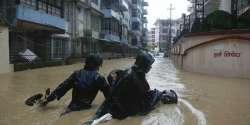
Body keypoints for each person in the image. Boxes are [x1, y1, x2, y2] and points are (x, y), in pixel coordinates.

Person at [86, 51, 178, 123]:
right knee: (155, 95)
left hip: (131, 104)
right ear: (143, 64)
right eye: (149, 65)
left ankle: (165, 96)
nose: (150, 68)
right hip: (126, 110)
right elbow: (111, 97)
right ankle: (166, 97)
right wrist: (96, 117)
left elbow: (144, 91)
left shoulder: (138, 74)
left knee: (155, 94)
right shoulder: (129, 76)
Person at [41, 55, 110, 114]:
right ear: (98, 65)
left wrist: (47, 100)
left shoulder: (76, 74)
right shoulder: (99, 78)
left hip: (70, 109)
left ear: (86, 63)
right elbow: (109, 96)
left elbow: (62, 88)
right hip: (85, 111)